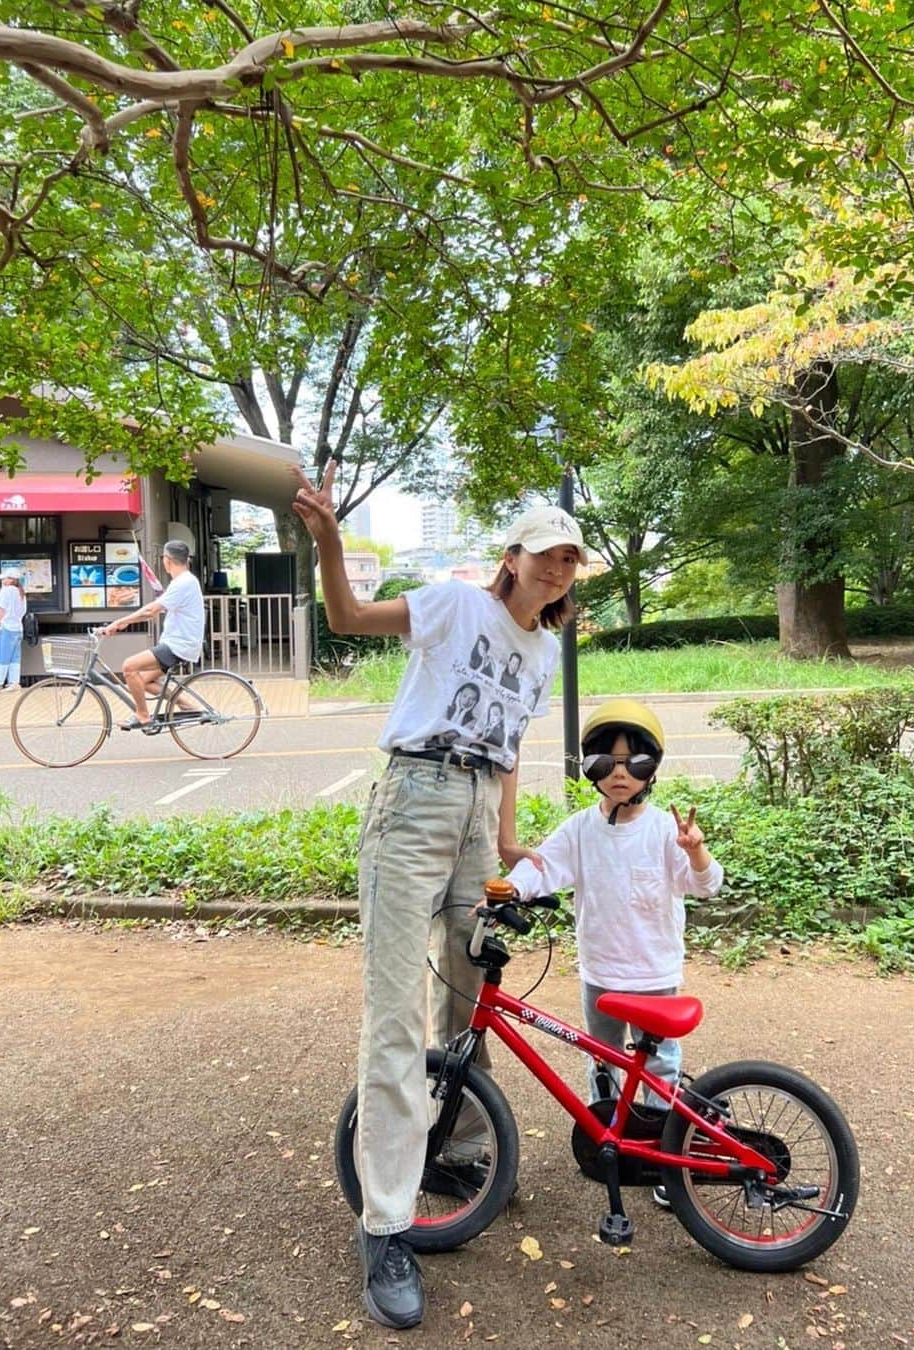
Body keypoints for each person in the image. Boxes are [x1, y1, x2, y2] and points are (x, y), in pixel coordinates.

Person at [292, 463, 587, 1330]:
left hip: (471, 816)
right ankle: (385, 1225)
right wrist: (331, 542)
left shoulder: (546, 647)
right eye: (544, 555)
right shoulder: (458, 607)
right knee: (394, 1016)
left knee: (469, 991)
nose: (556, 570)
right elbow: (346, 618)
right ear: (512, 557)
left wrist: (505, 841)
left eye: (569, 560)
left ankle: (455, 1148)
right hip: (414, 797)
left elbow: (508, 749)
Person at [504, 698, 723, 1209]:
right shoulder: (581, 829)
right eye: (607, 762)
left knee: (660, 1068)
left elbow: (707, 885)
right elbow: (541, 867)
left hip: (653, 974)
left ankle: (667, 1159)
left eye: (634, 762)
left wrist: (695, 849)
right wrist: (507, 890)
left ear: (652, 769)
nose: (620, 774)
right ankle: (611, 1143)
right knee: (601, 1061)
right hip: (600, 974)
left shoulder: (664, 831)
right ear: (591, 768)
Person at [97, 540, 205, 730]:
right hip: (179, 643)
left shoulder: (183, 582)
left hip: (178, 645)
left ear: (167, 560)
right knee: (143, 680)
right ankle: (188, 706)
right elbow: (154, 612)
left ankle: (143, 715)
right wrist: (121, 623)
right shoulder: (184, 581)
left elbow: (150, 611)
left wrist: (119, 622)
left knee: (129, 667)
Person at [0, 567, 27, 691]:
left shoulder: (6, 591)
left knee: (1, 655)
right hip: (18, 628)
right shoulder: (21, 592)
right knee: (15, 656)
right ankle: (14, 682)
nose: (2, 581)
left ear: (11, 580)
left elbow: (0, 609)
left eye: (4, 578)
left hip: (6, 627)